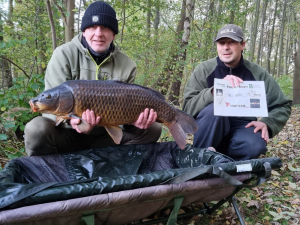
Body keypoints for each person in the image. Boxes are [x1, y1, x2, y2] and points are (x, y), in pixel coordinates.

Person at [24, 1, 162, 156]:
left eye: (105, 27)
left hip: (106, 136)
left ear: (114, 34)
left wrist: (134, 122)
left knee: (154, 129)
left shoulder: (127, 65)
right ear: (84, 31)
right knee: (36, 129)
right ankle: (51, 171)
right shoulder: (63, 55)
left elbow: (126, 114)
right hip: (67, 135)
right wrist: (74, 122)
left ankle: (118, 165)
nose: (98, 33)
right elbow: (52, 107)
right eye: (92, 27)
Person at [182, 24, 292, 161]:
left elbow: (282, 105)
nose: (226, 47)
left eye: (232, 42)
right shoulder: (204, 69)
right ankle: (199, 160)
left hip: (242, 128)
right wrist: (212, 92)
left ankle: (229, 165)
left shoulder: (258, 73)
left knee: (255, 145)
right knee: (214, 111)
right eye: (222, 43)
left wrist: (267, 123)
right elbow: (187, 109)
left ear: (242, 45)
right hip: (210, 128)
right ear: (217, 45)